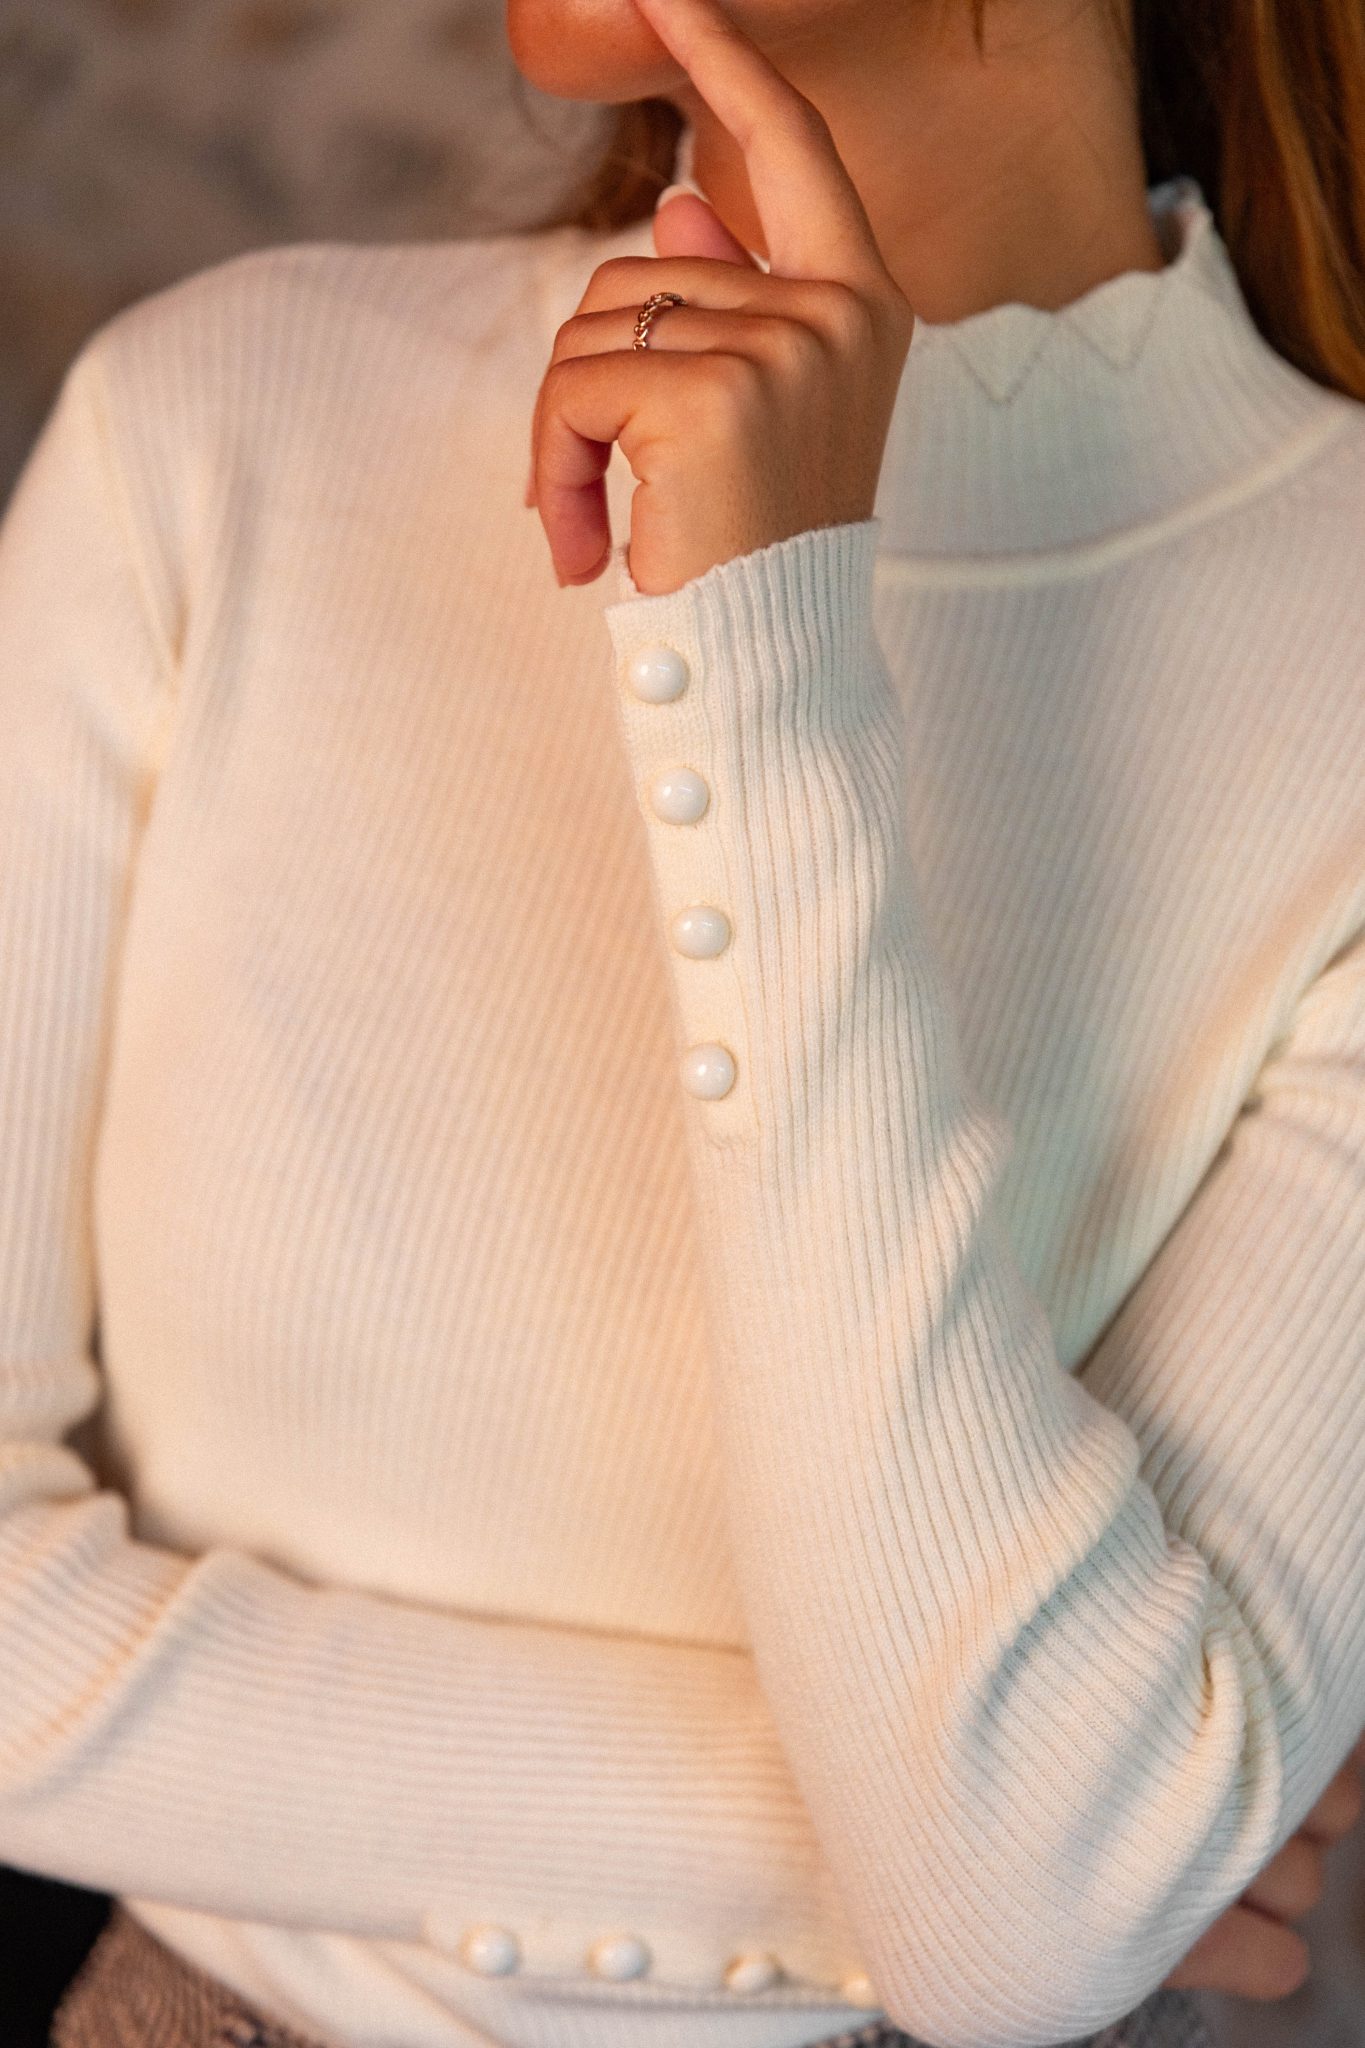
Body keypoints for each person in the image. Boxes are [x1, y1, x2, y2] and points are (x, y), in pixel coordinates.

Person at [1, 0, 1362, 2043]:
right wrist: (981, 1867)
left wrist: (759, 645)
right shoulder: (214, 425)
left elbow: (1029, 1919)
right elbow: (1035, 1913)